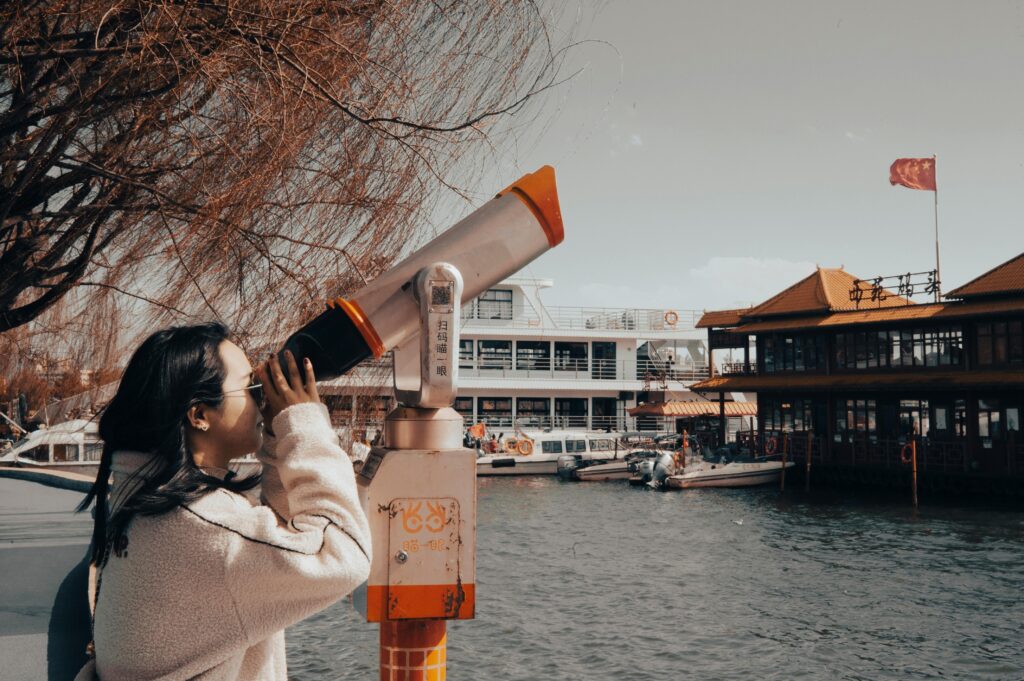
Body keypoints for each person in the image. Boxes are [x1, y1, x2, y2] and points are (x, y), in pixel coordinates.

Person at [74, 323, 371, 680]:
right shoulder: (203, 526)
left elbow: (277, 536)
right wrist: (305, 425)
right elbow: (342, 557)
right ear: (199, 414)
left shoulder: (139, 495)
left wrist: (278, 436)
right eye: (249, 388)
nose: (261, 398)